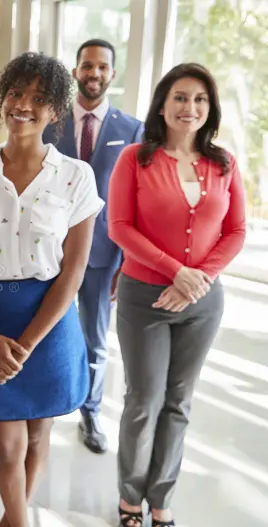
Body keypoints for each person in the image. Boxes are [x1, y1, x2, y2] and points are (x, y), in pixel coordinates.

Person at [0, 52, 103, 527]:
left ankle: (13, 521)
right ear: (1, 99)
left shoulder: (76, 176)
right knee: (5, 443)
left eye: (39, 99)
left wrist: (28, 343)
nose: (23, 105)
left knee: (39, 435)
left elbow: (74, 271)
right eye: (15, 93)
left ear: (55, 110)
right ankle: (17, 520)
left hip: (50, 322)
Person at [109, 63, 246, 527]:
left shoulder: (223, 163)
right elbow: (119, 227)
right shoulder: (135, 158)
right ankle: (130, 498)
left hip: (202, 303)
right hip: (144, 298)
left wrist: (198, 279)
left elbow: (236, 230)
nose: (191, 108)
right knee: (143, 401)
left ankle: (162, 499)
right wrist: (176, 272)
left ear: (211, 109)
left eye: (201, 100)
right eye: (182, 98)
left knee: (179, 404)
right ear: (164, 105)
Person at [42, 39, 144, 454]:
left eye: (102, 67)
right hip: (51, 253)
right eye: (87, 66)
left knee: (95, 339)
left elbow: (134, 198)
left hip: (104, 255)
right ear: (75, 71)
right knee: (48, 329)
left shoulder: (131, 129)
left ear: (112, 74)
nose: (94, 73)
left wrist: (127, 257)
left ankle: (90, 412)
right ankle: (49, 402)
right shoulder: (52, 123)